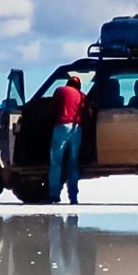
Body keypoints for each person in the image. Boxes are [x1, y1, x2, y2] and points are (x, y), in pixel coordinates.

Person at [49, 76, 87, 205]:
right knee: (73, 162)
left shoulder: (61, 90)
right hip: (77, 128)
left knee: (56, 161)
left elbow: (51, 109)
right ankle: (73, 197)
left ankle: (54, 194)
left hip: (62, 126)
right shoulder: (82, 95)